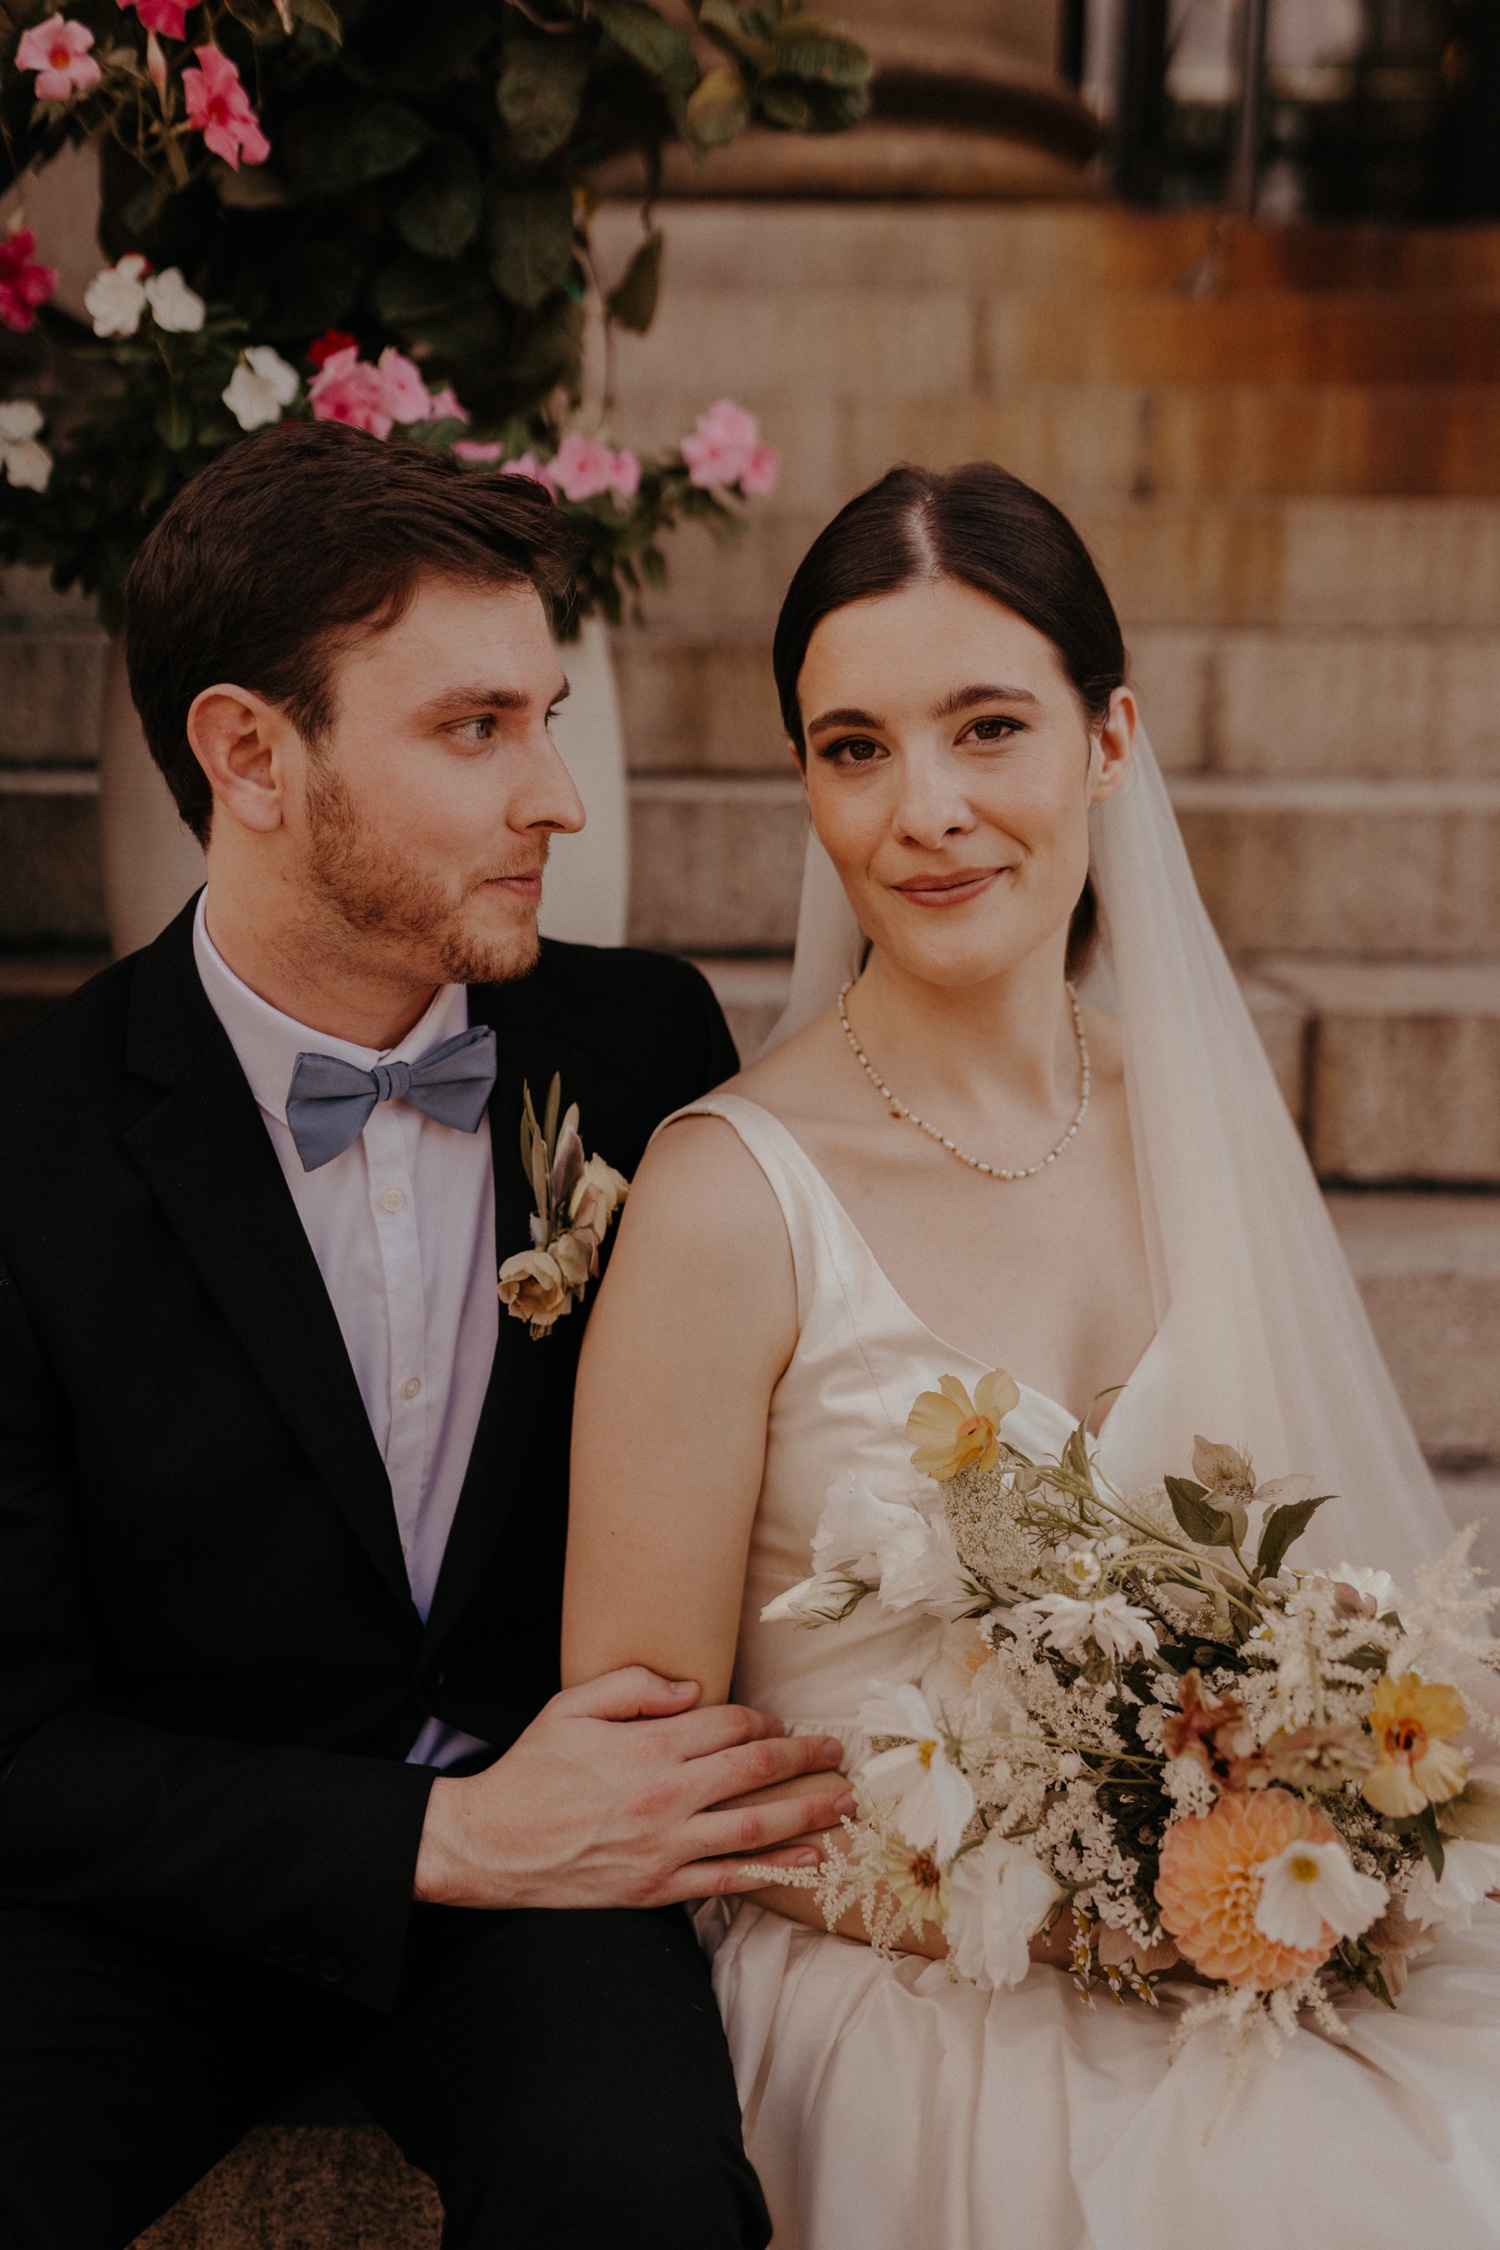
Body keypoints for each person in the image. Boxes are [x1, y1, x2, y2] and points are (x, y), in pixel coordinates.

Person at [562, 463, 1500, 2248]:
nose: (926, 809)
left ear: (1109, 738)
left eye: (988, 727)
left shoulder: (1203, 1114)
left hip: (1236, 1944)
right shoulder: (721, 1195)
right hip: (902, 1979)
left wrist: (1328, 1813)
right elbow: (647, 1778)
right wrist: (1076, 1904)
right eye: (853, 747)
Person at [0, 420, 858, 2250]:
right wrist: (439, 1839)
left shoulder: (643, 1051)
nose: (555, 794)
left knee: (641, 2202)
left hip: (557, 1910)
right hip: (152, 1902)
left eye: (545, 716)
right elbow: (13, 1742)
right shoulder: (29, 1137)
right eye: (477, 729)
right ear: (250, 752)